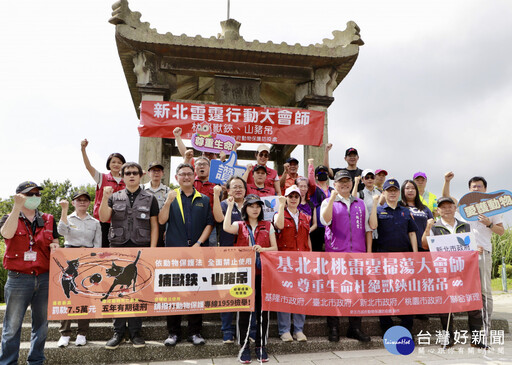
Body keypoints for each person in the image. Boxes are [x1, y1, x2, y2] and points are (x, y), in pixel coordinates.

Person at [99, 162, 159, 350]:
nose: (131, 175)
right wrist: (104, 197)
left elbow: (155, 225)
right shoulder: (114, 196)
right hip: (118, 248)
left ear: (141, 175)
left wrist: (152, 249)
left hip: (141, 248)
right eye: (128, 173)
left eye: (135, 172)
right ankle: (118, 332)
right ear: (123, 176)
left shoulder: (150, 198)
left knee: (137, 290)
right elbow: (103, 218)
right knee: (118, 291)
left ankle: (135, 332)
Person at [0, 181, 60, 364]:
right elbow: (7, 234)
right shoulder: (8, 217)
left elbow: (55, 241)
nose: (34, 197)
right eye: (29, 194)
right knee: (12, 327)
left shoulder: (49, 219)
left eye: (37, 194)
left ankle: (36, 361)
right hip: (19, 279)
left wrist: (56, 247)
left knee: (41, 326)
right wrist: (16, 208)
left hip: (43, 278)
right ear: (20, 196)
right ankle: (8, 362)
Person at [442, 172, 504, 347]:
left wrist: (489, 224)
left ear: (485, 190)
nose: (476, 189)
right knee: (459, 291)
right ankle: (454, 335)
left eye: (479, 186)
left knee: (485, 292)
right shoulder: (463, 207)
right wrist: (446, 181)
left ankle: (484, 332)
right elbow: (446, 197)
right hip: (463, 256)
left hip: (483, 254)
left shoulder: (493, 209)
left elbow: (501, 231)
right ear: (469, 190)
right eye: (473, 187)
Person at [159, 163, 214, 347]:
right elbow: (161, 220)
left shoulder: (204, 199)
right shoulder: (171, 196)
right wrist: (167, 201)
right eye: (182, 174)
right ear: (176, 178)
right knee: (173, 293)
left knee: (195, 292)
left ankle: (195, 332)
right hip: (174, 253)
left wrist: (199, 244)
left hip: (197, 253)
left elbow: (209, 224)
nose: (186, 177)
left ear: (194, 177)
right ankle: (173, 333)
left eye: (189, 174)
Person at [321, 170, 377, 343]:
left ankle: (355, 328)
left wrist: (368, 254)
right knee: (335, 292)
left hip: (357, 255)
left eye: (347, 181)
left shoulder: (360, 203)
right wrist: (332, 198)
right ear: (335, 184)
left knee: (357, 292)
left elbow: (369, 229)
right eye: (340, 182)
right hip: (336, 254)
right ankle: (334, 327)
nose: (344, 184)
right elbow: (325, 220)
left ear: (352, 183)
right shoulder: (328, 201)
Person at [421, 196, 483, 348]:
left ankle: (476, 339)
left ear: (455, 208)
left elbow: (473, 245)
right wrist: (428, 228)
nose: (447, 209)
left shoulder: (466, 226)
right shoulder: (435, 228)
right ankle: (448, 338)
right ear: (438, 210)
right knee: (446, 305)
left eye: (450, 206)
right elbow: (424, 245)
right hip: (445, 273)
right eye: (443, 206)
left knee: (473, 302)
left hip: (466, 271)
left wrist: (477, 249)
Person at [223, 194, 277, 364]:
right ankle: (244, 345)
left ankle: (261, 346)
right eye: (251, 206)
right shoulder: (240, 225)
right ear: (245, 208)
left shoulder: (268, 225)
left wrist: (263, 249)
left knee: (262, 311)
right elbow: (226, 228)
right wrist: (231, 207)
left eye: (258, 206)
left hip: (263, 275)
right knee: (244, 311)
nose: (255, 209)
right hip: (244, 275)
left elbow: (275, 247)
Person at [371, 178, 418, 334]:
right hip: (383, 257)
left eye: (395, 191)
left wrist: (415, 255)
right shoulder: (378, 211)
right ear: (384, 192)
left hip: (404, 257)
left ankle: (407, 326)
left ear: (399, 193)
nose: (392, 193)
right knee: (384, 291)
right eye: (389, 191)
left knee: (405, 291)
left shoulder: (406, 211)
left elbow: (412, 233)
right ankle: (386, 325)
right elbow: (372, 226)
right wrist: (375, 205)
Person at [57, 191, 101, 348]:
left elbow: (98, 243)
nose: (82, 202)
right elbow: (61, 232)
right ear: (74, 202)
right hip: (69, 257)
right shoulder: (67, 218)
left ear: (89, 203)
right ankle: (65, 333)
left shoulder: (94, 222)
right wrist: (63, 210)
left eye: (85, 200)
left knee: (84, 296)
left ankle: (82, 333)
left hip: (87, 258)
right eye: (79, 200)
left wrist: (94, 261)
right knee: (66, 295)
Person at [274, 186, 311, 342]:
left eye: (296, 196)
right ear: (286, 198)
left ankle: (298, 329)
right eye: (290, 196)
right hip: (284, 262)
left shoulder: (305, 217)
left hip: (302, 260)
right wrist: (281, 206)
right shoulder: (279, 214)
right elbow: (279, 225)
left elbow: (306, 238)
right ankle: (284, 330)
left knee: (300, 294)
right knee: (285, 295)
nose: (294, 199)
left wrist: (311, 257)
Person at [212, 176, 246, 344]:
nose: (238, 189)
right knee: (226, 293)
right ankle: (226, 331)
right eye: (234, 187)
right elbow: (218, 218)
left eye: (241, 186)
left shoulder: (252, 205)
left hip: (247, 256)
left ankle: (247, 330)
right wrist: (216, 196)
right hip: (227, 254)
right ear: (228, 190)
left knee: (246, 293)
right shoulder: (224, 204)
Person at [81, 138, 126, 247]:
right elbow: (88, 167)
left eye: (119, 162)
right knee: (101, 250)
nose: (116, 164)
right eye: (113, 162)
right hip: (102, 222)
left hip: (120, 221)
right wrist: (83, 149)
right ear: (109, 164)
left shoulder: (127, 181)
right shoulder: (102, 177)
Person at [142, 162, 170, 247]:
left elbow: (171, 211)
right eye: (154, 170)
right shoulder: (141, 188)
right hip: (143, 225)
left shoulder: (167, 190)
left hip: (160, 225)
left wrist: (167, 229)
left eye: (159, 170)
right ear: (148, 173)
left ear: (162, 173)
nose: (156, 173)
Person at [400, 179, 433, 252]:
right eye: (407, 188)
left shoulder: (424, 208)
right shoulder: (398, 206)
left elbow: (432, 224)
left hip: (424, 246)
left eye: (413, 188)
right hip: (405, 247)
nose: (410, 190)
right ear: (402, 191)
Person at [308, 164, 334, 252]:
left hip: (330, 224)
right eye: (319, 172)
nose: (322, 174)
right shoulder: (314, 188)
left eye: (324, 172)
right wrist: (311, 165)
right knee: (317, 249)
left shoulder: (332, 189)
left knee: (330, 249)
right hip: (318, 224)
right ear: (316, 176)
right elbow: (311, 181)